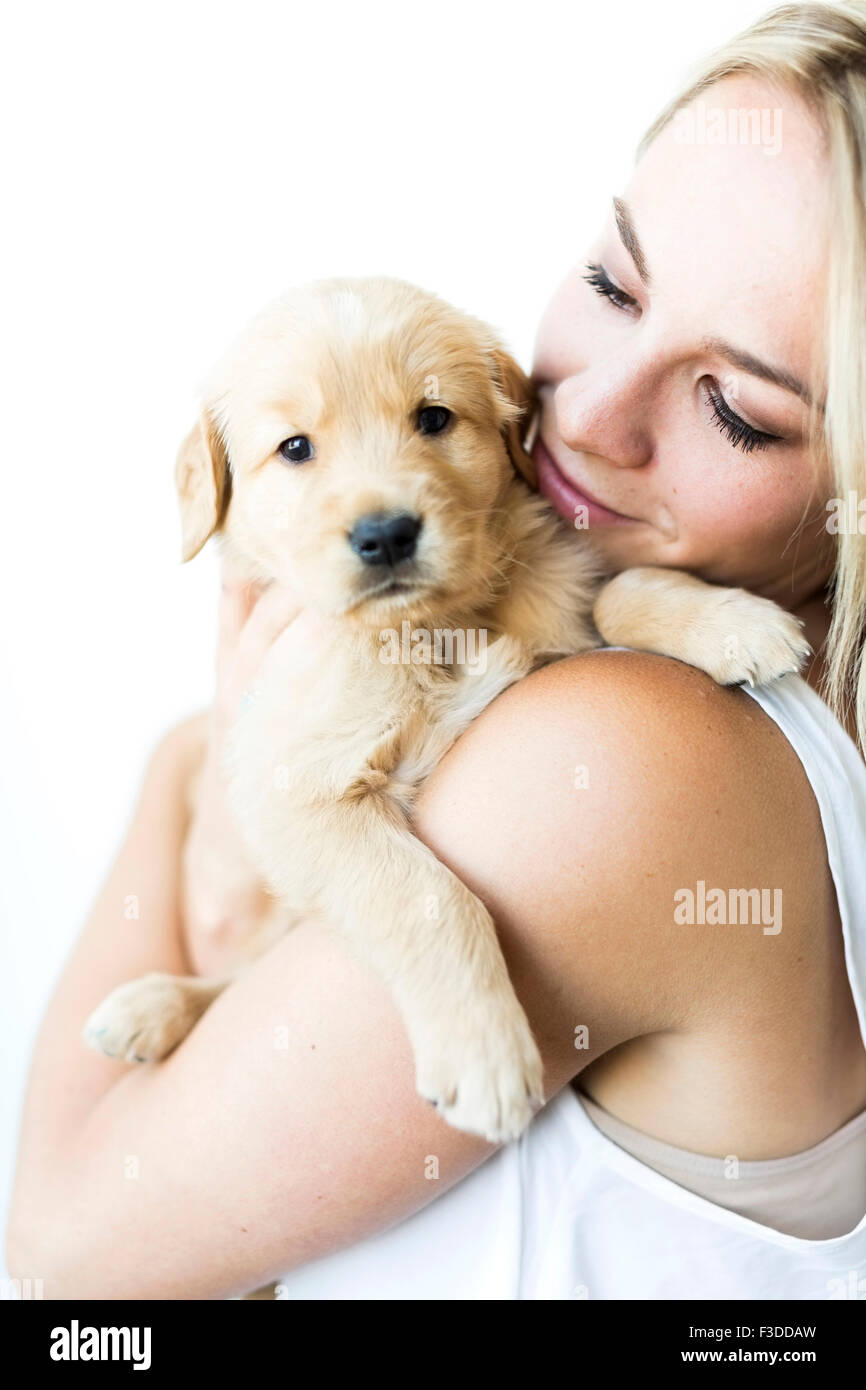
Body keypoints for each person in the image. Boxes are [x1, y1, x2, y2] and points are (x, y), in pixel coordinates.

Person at [7, 0, 866, 1300]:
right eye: (609, 284)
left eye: (736, 410)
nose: (576, 413)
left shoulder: (635, 763)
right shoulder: (723, 711)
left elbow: (69, 1259)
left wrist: (193, 786)